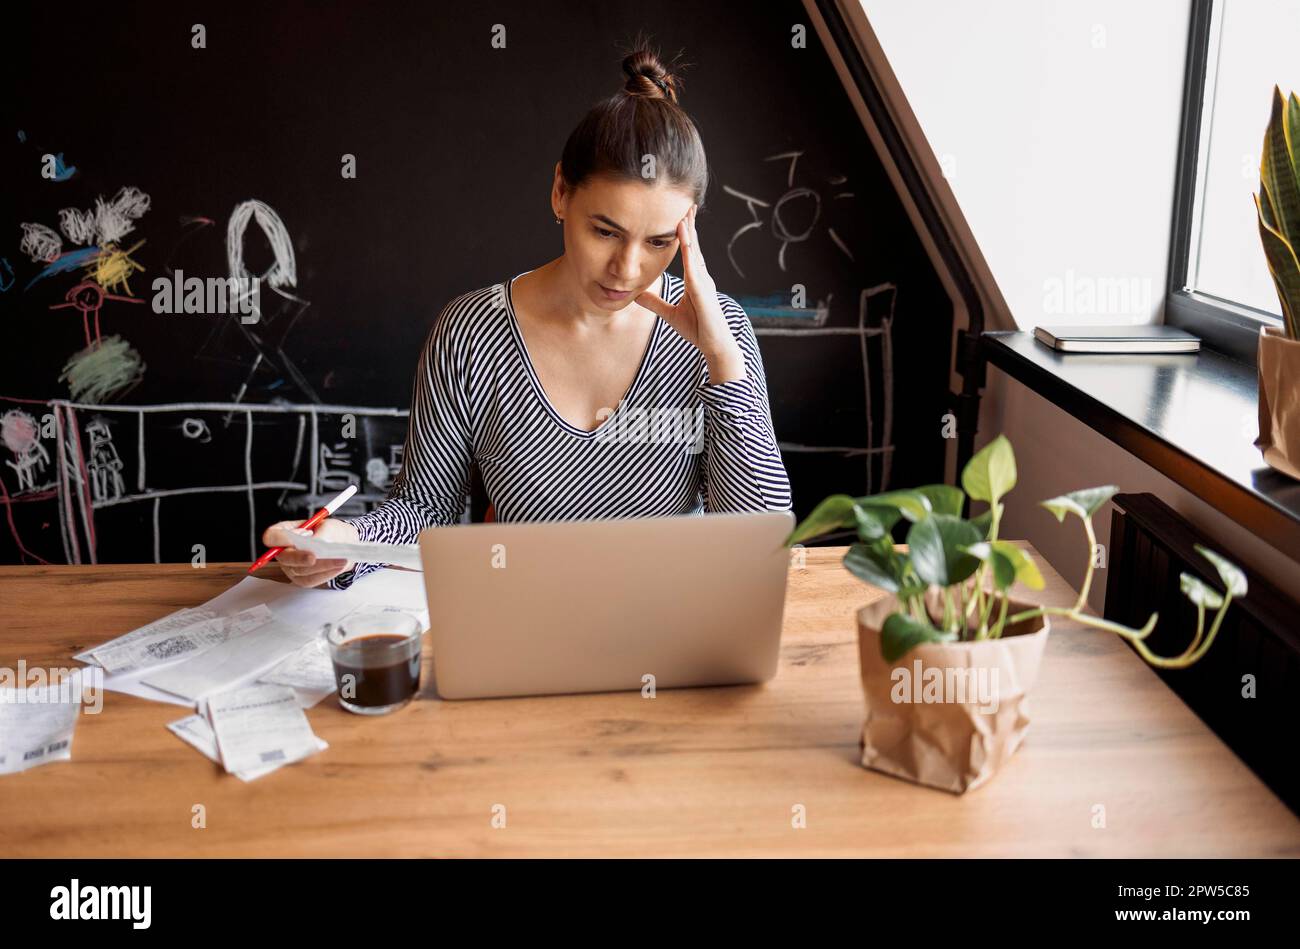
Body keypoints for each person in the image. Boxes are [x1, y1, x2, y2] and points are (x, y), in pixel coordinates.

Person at [264, 43, 792, 589]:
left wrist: (725, 365)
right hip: (525, 624)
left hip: (671, 630)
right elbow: (426, 507)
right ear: (561, 191)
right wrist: (351, 545)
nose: (627, 269)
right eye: (605, 231)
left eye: (659, 242)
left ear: (689, 230)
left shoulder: (718, 336)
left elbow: (758, 542)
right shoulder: (471, 333)